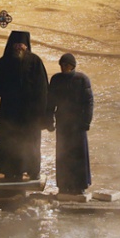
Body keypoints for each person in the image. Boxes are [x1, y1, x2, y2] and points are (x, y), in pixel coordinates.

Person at [0, 31, 49, 181]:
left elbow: (43, 89)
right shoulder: (3, 62)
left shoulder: (36, 62)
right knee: (10, 141)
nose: (19, 47)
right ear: (12, 45)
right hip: (10, 112)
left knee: (30, 142)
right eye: (16, 44)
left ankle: (33, 170)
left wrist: (42, 113)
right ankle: (11, 171)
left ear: (26, 46)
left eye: (21, 44)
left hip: (30, 112)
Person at [45, 53, 94, 195]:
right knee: (63, 154)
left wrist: (86, 121)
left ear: (72, 66)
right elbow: (50, 101)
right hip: (63, 122)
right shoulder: (56, 79)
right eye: (61, 65)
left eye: (66, 65)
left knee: (79, 154)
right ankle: (64, 184)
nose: (63, 68)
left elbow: (89, 102)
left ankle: (80, 185)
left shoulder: (82, 79)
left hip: (78, 123)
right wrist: (49, 119)